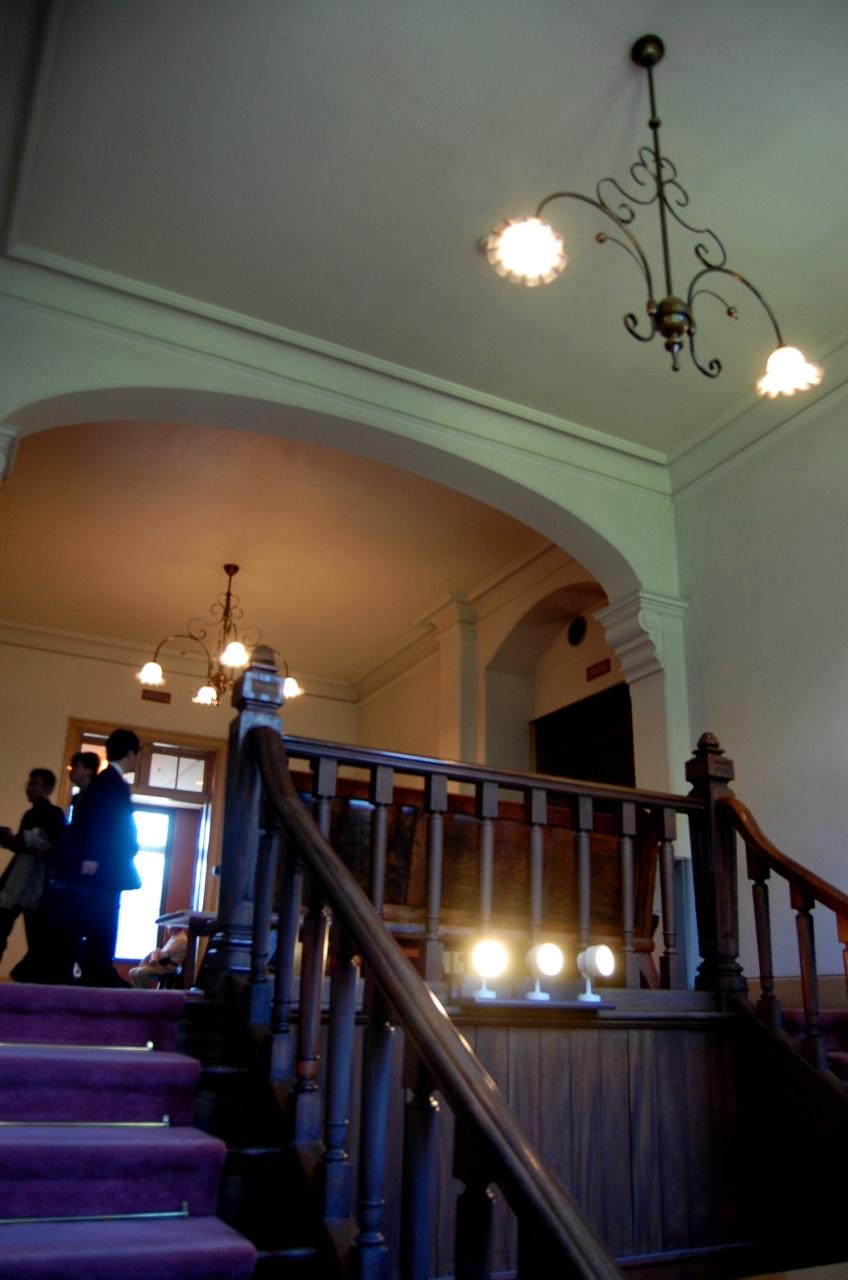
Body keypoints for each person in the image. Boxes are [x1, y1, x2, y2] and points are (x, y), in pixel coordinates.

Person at [65, 729, 142, 987]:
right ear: (130, 754)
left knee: (103, 916)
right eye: (136, 754)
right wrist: (92, 856)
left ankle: (99, 970)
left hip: (105, 863)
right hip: (104, 865)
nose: (137, 759)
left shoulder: (107, 780)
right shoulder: (109, 781)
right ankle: (98, 972)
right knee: (101, 918)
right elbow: (99, 820)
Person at [0, 768, 66, 969]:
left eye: (35, 784)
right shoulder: (33, 813)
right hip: (26, 881)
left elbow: (51, 846)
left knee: (36, 939)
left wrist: (18, 840)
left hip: (32, 882)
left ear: (48, 789)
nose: (30, 788)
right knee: (34, 939)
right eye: (30, 784)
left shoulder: (53, 814)